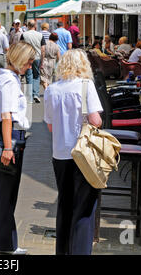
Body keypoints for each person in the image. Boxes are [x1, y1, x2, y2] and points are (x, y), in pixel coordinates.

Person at [44, 49, 103, 255]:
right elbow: (96, 121)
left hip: (60, 153)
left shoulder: (51, 89)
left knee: (65, 203)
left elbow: (50, 126)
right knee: (85, 206)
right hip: (83, 154)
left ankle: (63, 250)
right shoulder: (86, 86)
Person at [0, 41, 36, 255]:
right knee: (6, 192)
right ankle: (6, 244)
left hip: (0, 135)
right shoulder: (9, 81)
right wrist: (8, 147)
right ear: (20, 60)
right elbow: (7, 116)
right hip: (7, 137)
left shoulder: (3, 78)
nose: (30, 66)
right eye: (29, 62)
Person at [20, 19, 45, 103]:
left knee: (28, 76)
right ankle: (36, 94)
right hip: (37, 57)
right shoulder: (40, 35)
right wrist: (42, 61)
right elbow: (43, 49)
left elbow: (21, 46)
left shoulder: (24, 35)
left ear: (27, 26)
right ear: (35, 26)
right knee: (36, 76)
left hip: (27, 57)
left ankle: (29, 96)